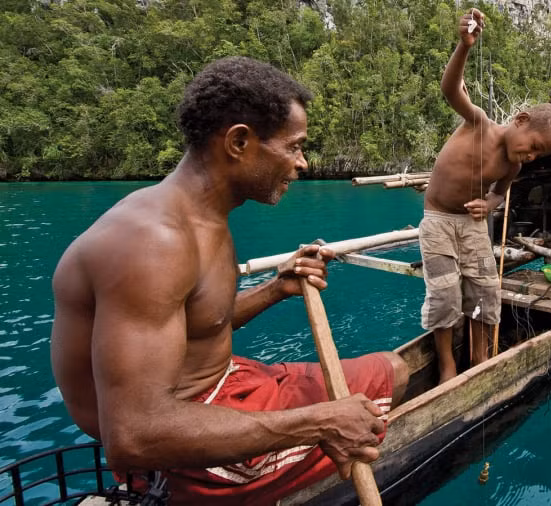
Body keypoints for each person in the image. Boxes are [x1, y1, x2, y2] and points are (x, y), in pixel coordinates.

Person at [49, 56, 409, 505]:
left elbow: (202, 322)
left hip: (219, 387)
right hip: (177, 456)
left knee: (390, 374)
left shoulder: (202, 215)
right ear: (239, 142)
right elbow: (134, 436)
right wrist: (321, 422)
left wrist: (275, 289)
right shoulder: (153, 244)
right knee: (389, 381)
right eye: (294, 146)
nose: (302, 163)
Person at [421, 8, 551, 384]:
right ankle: (447, 366)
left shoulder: (512, 167)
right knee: (445, 296)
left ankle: (481, 357)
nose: (531, 156)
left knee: (487, 291)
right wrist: (464, 46)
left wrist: (489, 204)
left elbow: (500, 196)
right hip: (438, 221)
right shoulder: (479, 123)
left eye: (538, 156)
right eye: (533, 146)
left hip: (472, 226)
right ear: (520, 120)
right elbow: (450, 89)